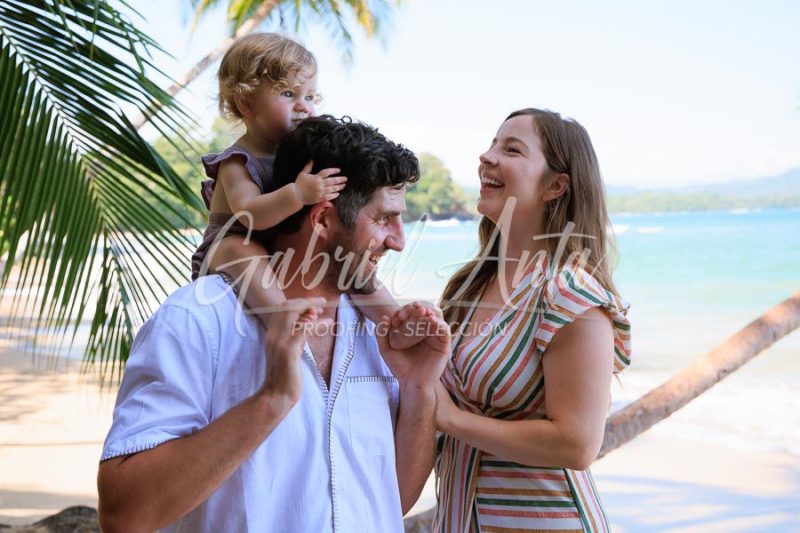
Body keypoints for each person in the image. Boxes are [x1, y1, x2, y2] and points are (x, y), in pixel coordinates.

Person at [97, 116, 450, 532]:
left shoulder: (382, 335)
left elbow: (392, 498)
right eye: (383, 219)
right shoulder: (198, 319)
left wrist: (419, 387)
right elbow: (123, 515)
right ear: (321, 220)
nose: (398, 240)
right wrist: (273, 399)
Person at [432, 108, 632, 532]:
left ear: (555, 186)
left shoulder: (568, 294)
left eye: (512, 149)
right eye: (492, 144)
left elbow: (577, 443)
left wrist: (449, 419)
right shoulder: (469, 286)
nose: (486, 157)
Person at [192, 32, 417, 347]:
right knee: (240, 249)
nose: (303, 107)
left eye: (309, 97)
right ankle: (281, 319)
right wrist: (297, 194)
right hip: (234, 242)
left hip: (276, 244)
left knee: (348, 261)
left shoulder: (296, 153)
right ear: (245, 103)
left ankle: (393, 321)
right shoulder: (236, 162)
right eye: (287, 94)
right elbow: (249, 216)